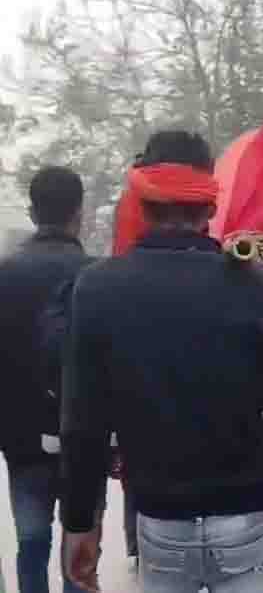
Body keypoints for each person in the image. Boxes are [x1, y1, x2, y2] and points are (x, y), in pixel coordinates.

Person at [59, 130, 263, 593]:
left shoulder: (98, 288)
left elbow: (84, 422)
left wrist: (81, 522)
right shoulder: (254, 285)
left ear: (141, 205)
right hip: (246, 506)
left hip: (161, 512)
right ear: (209, 207)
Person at [0, 166, 99, 593]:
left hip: (20, 437)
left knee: (32, 541)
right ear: (79, 213)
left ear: (32, 211)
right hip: (84, 436)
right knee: (80, 549)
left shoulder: (4, 274)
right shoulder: (97, 276)